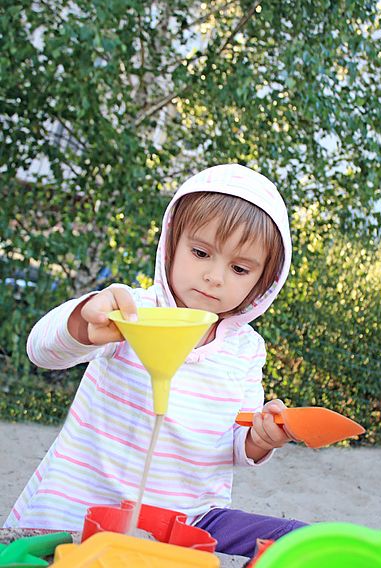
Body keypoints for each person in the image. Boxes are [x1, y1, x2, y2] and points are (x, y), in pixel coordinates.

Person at [4, 163, 307, 557]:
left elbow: (234, 443)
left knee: (300, 542)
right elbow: (41, 350)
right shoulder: (132, 312)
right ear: (172, 244)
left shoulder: (245, 350)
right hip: (82, 513)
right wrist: (83, 322)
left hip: (189, 520)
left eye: (239, 268)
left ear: (263, 282)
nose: (215, 276)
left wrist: (258, 440)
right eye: (200, 252)